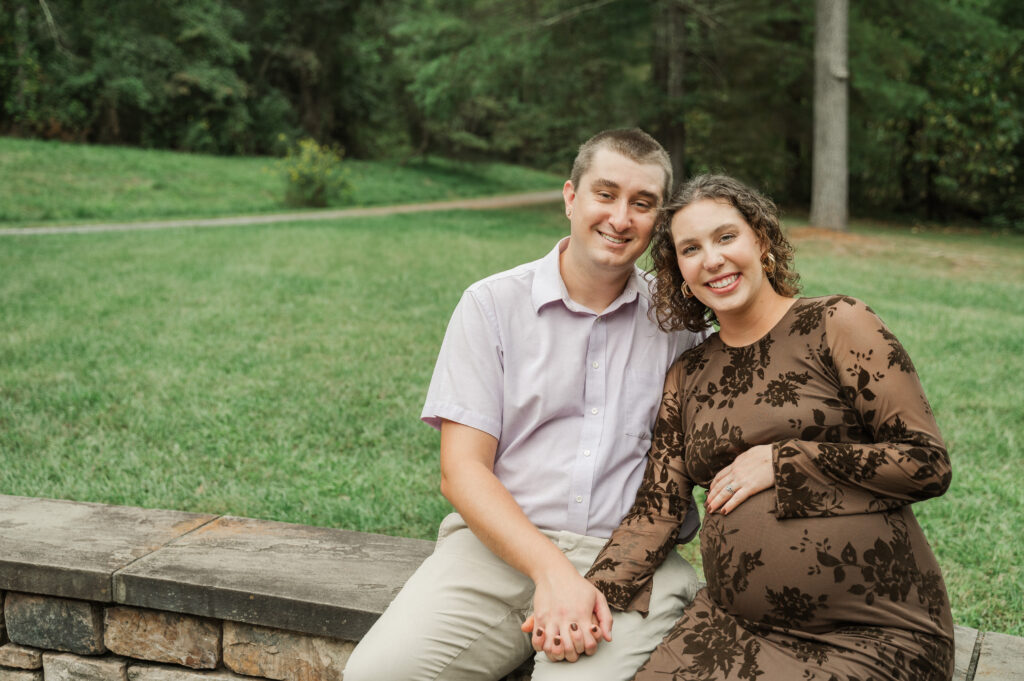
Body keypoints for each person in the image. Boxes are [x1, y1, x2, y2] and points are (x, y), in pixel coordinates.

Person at [342, 129, 708, 680]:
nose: (621, 217)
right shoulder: (492, 305)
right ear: (570, 197)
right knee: (377, 675)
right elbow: (461, 471)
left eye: (643, 203)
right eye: (604, 194)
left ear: (659, 219)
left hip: (631, 562)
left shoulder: (679, 323)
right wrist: (552, 573)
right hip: (496, 552)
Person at [583, 174, 955, 680]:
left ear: (760, 239)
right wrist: (591, 594)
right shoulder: (688, 375)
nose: (711, 259)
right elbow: (658, 510)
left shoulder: (836, 323)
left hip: (870, 632)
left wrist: (785, 462)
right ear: (680, 271)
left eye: (726, 237)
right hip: (729, 629)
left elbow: (925, 463)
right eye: (690, 249)